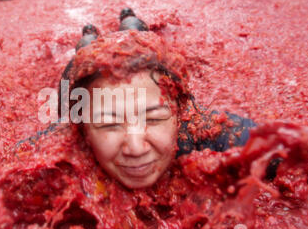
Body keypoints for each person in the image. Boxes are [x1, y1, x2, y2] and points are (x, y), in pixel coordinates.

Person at [59, 28, 256, 189]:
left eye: (153, 119)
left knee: (135, 31)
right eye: (109, 124)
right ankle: (88, 35)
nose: (136, 149)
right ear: (82, 128)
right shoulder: (64, 144)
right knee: (85, 49)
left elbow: (275, 149)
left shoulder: (199, 130)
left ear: (180, 114)